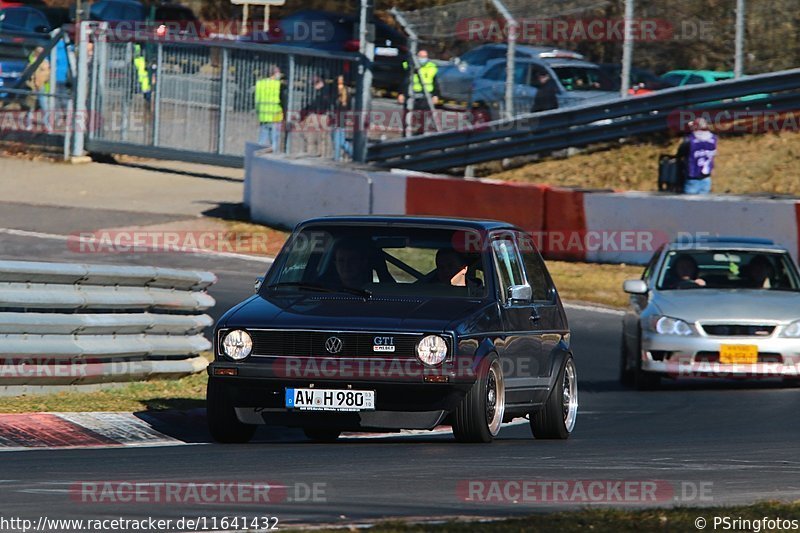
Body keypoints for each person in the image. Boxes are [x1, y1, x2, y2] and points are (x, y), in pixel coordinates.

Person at [398, 50, 439, 135]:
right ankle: (406, 136)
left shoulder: (432, 67)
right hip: (411, 95)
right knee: (408, 118)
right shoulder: (409, 65)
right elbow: (404, 80)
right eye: (421, 57)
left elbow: (435, 83)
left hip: (425, 97)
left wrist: (436, 95)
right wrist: (401, 93)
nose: (422, 59)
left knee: (423, 119)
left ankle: (419, 135)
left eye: (424, 57)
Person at [676, 117, 717, 195]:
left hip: (692, 175)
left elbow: (680, 153)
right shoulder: (713, 138)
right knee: (704, 204)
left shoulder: (690, 139)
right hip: (706, 176)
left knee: (690, 204)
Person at [300, 75, 333, 157]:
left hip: (322, 116)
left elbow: (320, 104)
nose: (314, 87)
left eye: (314, 84)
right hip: (319, 115)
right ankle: (321, 152)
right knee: (320, 136)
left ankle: (324, 153)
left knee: (322, 136)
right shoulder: (320, 91)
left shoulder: (324, 92)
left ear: (319, 83)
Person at [255, 65, 286, 151]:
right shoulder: (278, 85)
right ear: (275, 73)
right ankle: (274, 157)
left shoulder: (260, 83)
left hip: (263, 116)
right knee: (275, 140)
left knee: (262, 140)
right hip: (275, 115)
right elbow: (282, 99)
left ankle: (258, 158)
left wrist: (258, 113)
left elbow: (257, 101)